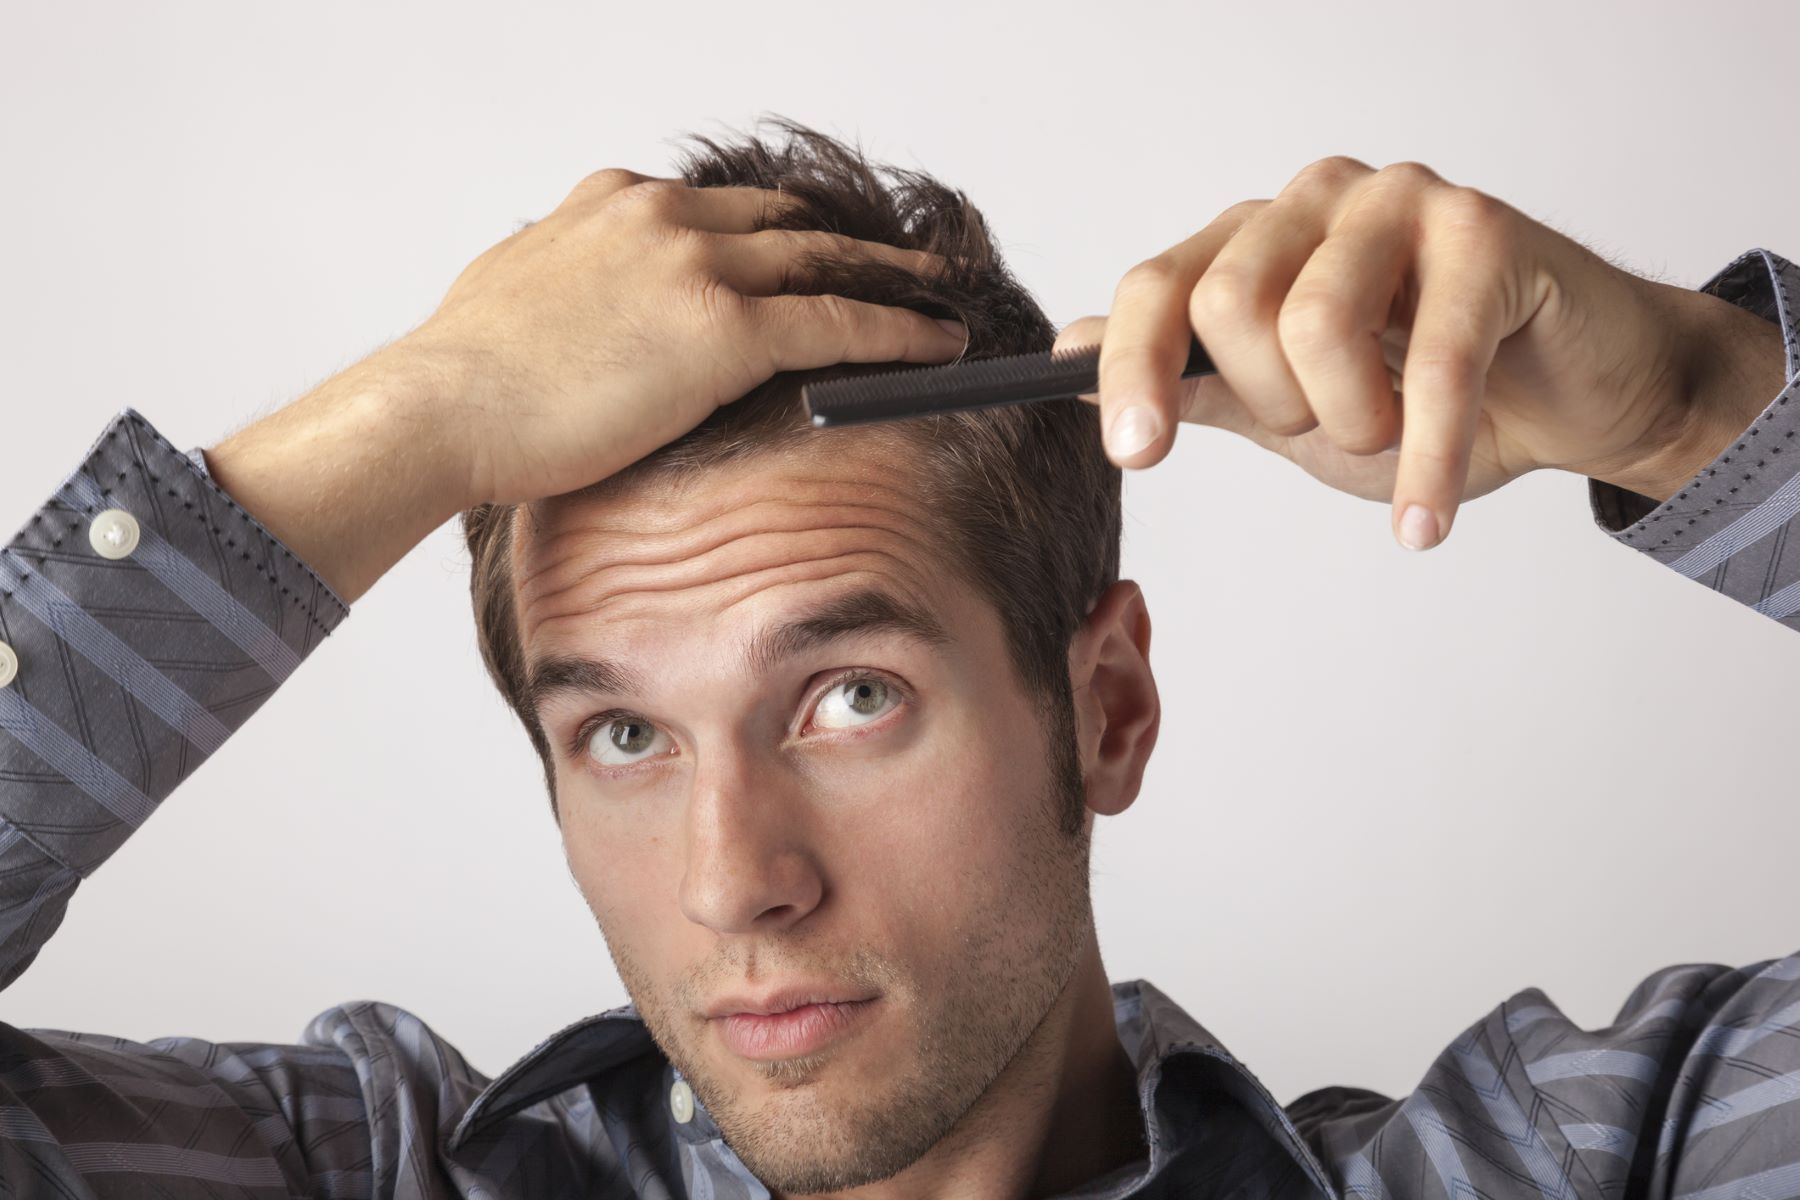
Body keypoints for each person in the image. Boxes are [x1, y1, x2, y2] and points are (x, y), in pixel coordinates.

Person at [0, 118, 1792, 1200]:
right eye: (622, 732)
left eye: (848, 698)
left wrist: (1697, 402)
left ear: (1104, 708)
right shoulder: (353, 1176)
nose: (735, 885)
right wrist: (404, 424)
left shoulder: (1590, 1159)